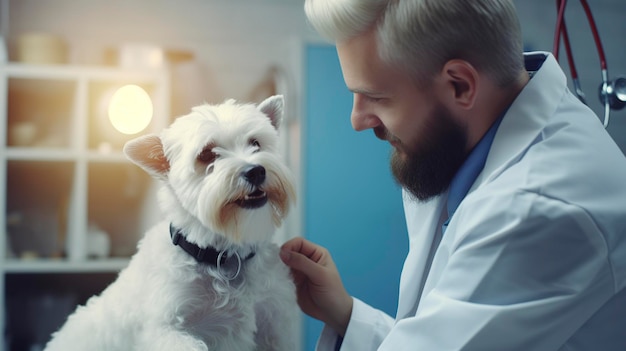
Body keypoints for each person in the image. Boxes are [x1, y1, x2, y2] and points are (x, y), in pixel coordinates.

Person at [278, 0, 626, 350]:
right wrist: (347, 316)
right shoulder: (464, 152)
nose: (357, 120)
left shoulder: (541, 206)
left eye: (376, 97)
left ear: (460, 85)